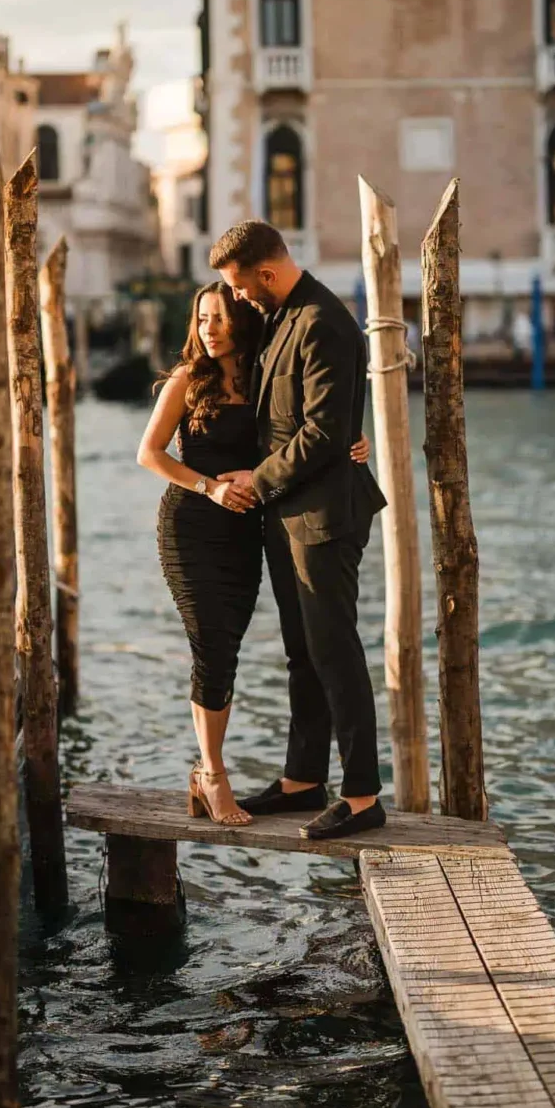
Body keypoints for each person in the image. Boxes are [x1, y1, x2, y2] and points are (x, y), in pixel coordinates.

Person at [137, 281, 370, 827]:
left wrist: (350, 443)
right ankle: (213, 773)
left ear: (240, 321)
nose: (208, 329)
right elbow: (149, 454)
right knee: (211, 647)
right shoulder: (186, 379)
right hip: (192, 526)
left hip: (249, 532)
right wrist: (210, 488)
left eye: (218, 317)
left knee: (232, 649)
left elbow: (306, 429)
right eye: (200, 319)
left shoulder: (263, 375)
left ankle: (233, 775)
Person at [209, 219, 388, 843]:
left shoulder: (323, 323)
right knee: (302, 652)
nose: (237, 299)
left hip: (325, 516)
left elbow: (322, 434)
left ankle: (363, 795)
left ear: (266, 270)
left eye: (239, 286)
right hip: (289, 515)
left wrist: (256, 480)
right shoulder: (282, 317)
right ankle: (302, 779)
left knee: (335, 650)